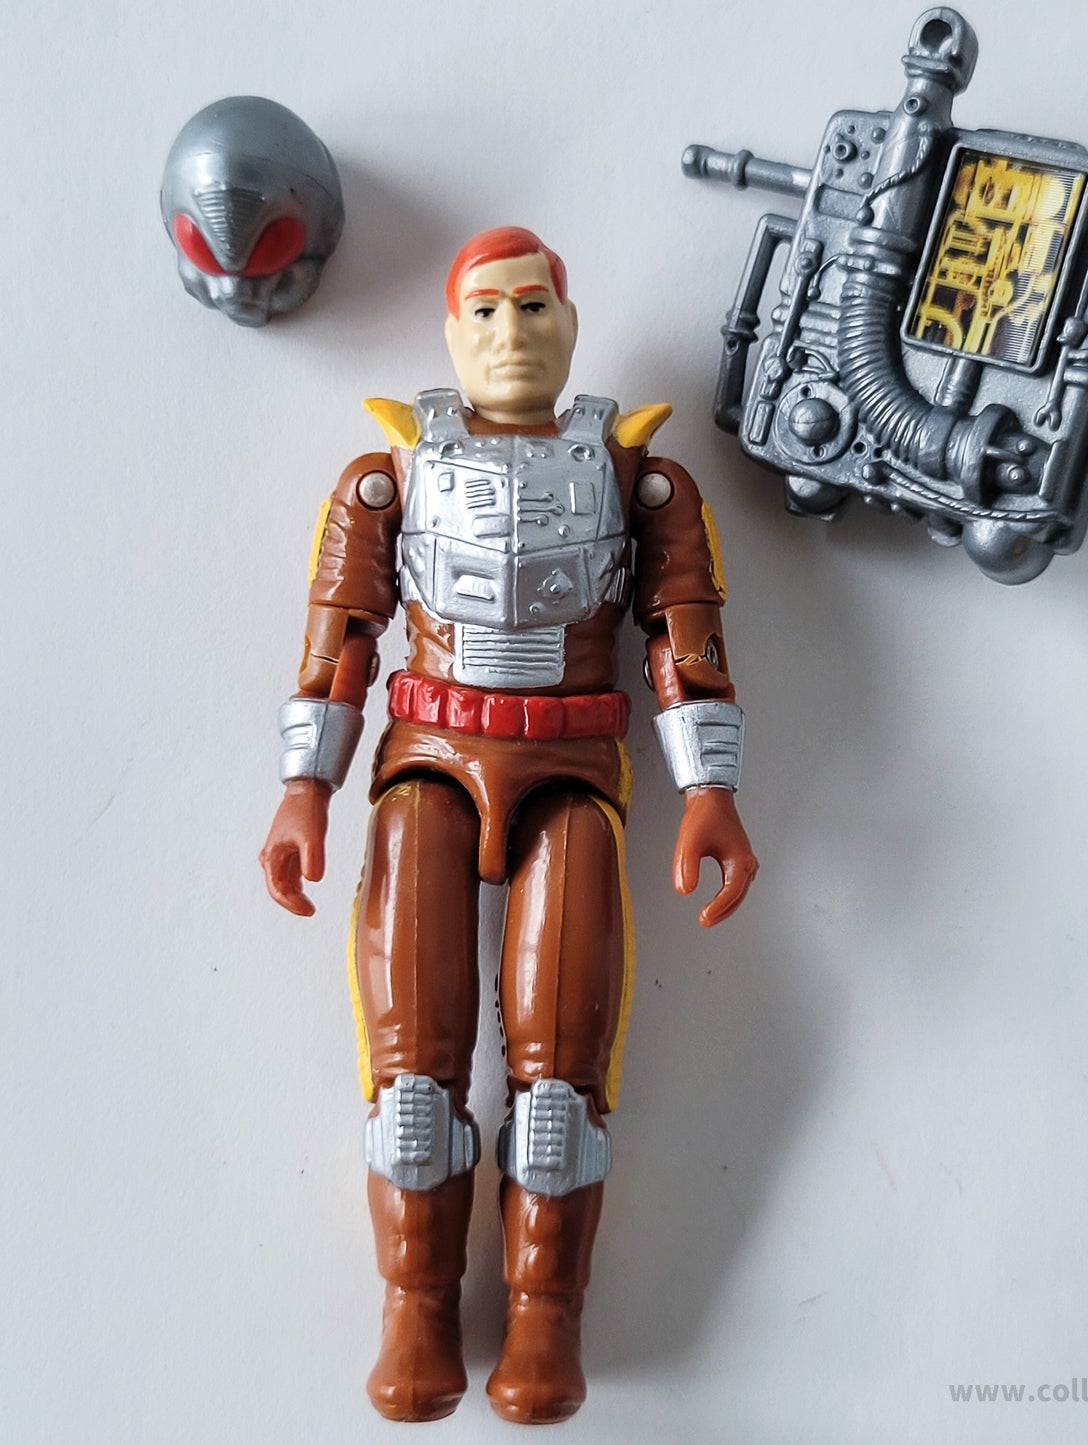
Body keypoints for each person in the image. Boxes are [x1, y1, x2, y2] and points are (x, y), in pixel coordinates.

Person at [260, 226, 757, 1424]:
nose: (509, 333)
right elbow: (339, 638)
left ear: (569, 325)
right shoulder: (389, 472)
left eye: (532, 308)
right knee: (410, 1088)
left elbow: (684, 639)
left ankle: (545, 1319)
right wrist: (303, 784)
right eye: (483, 311)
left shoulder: (640, 479)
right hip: (427, 763)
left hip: (573, 768)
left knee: (558, 1096)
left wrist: (710, 790)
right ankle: (414, 1310)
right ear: (450, 334)